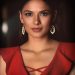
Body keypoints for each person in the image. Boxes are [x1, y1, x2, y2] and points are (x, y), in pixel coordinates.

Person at [0, 0, 75, 75]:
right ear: (21, 17)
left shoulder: (70, 52)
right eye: (29, 14)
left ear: (54, 16)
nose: (36, 21)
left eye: (44, 14)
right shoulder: (5, 57)